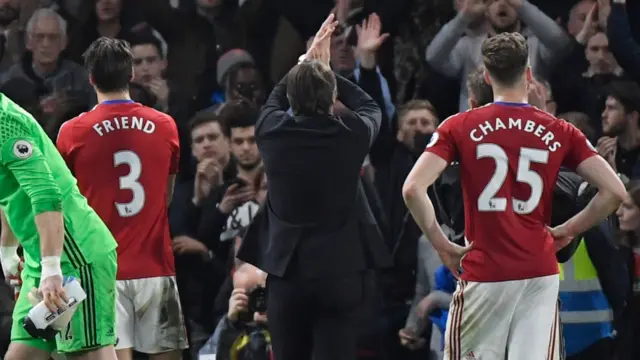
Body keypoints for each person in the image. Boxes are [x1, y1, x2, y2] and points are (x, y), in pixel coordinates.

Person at [402, 32, 628, 360]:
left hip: (484, 272)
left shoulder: (458, 127)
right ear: (529, 73)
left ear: (488, 75)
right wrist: (569, 229)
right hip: (538, 273)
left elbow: (412, 188)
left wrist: (442, 244)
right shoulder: (559, 130)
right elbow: (615, 192)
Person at [236, 13, 392, 360]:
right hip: (340, 274)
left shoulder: (271, 132)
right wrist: (329, 75)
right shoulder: (352, 135)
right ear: (331, 96)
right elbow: (369, 105)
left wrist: (306, 64)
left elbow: (276, 99)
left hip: (287, 273)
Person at [56, 37, 188, 360]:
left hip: (101, 272)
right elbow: (165, 196)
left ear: (91, 78)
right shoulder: (165, 126)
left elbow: (63, 205)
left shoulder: (72, 132)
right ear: (131, 74)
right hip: (155, 266)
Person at [0, 60, 118, 360]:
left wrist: (52, 268)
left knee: (87, 355)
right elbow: (10, 191)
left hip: (75, 256)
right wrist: (8, 249)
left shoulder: (4, 124)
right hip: (42, 259)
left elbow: (46, 194)